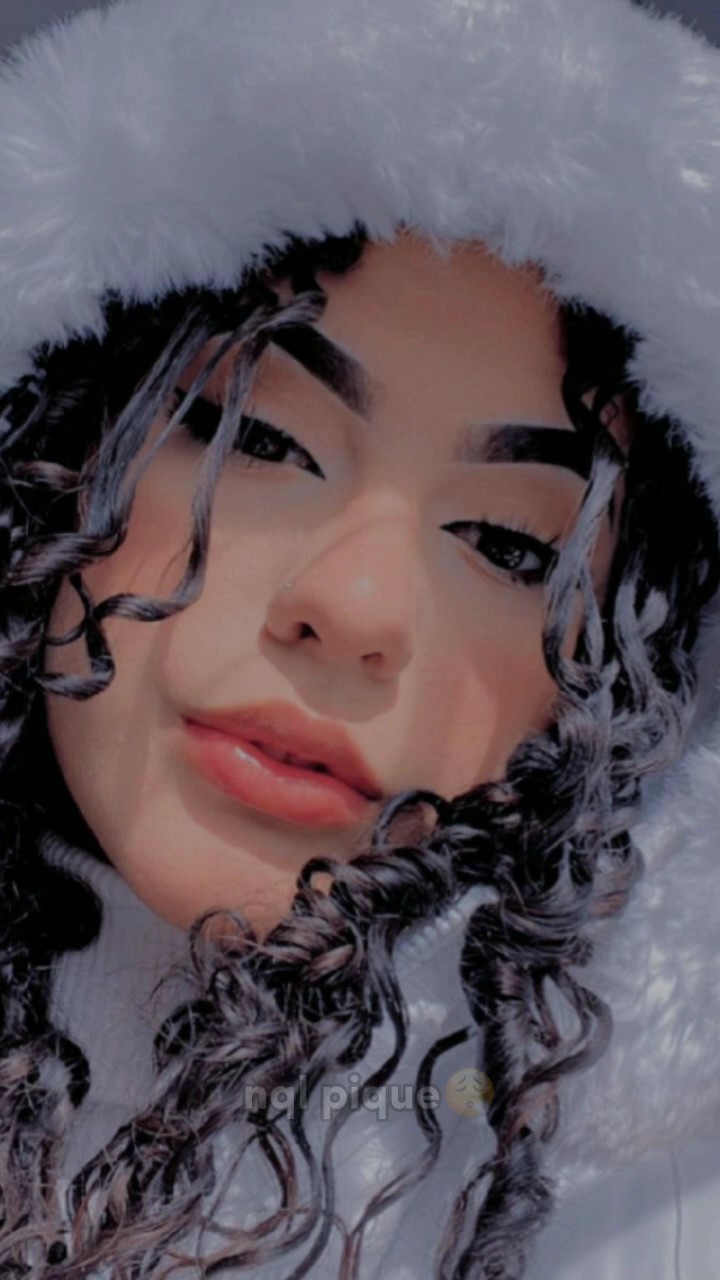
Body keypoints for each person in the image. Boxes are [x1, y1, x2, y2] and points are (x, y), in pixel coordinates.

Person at [0, 0, 720, 1276]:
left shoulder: (656, 1222)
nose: (356, 605)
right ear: (60, 440)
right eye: (264, 437)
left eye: (512, 546)